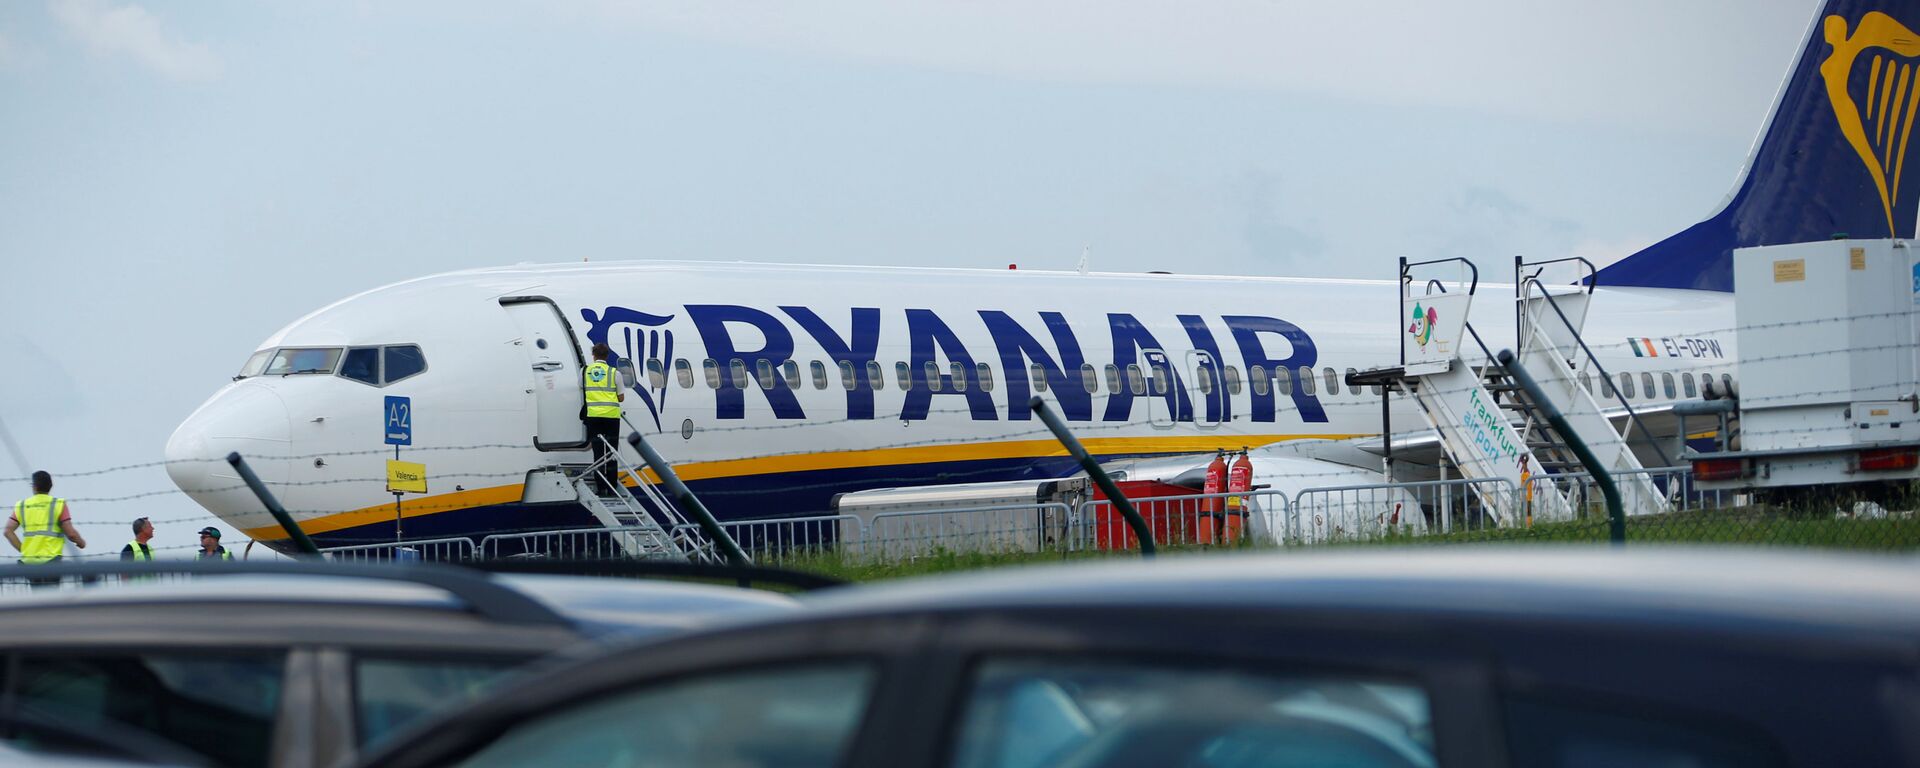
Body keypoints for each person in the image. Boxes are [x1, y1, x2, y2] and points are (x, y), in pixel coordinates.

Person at [7, 471, 87, 566]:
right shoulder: (58, 504)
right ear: (51, 486)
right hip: (52, 561)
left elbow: (8, 531)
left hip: (29, 563)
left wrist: (23, 549)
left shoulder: (22, 505)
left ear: (34, 486)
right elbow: (71, 534)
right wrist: (81, 542)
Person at [582, 343, 625, 495]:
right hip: (611, 417)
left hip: (594, 416)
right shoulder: (615, 373)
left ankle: (601, 487)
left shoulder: (585, 371)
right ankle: (612, 487)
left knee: (598, 453)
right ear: (607, 356)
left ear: (593, 355)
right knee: (611, 452)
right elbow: (621, 397)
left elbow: (581, 388)